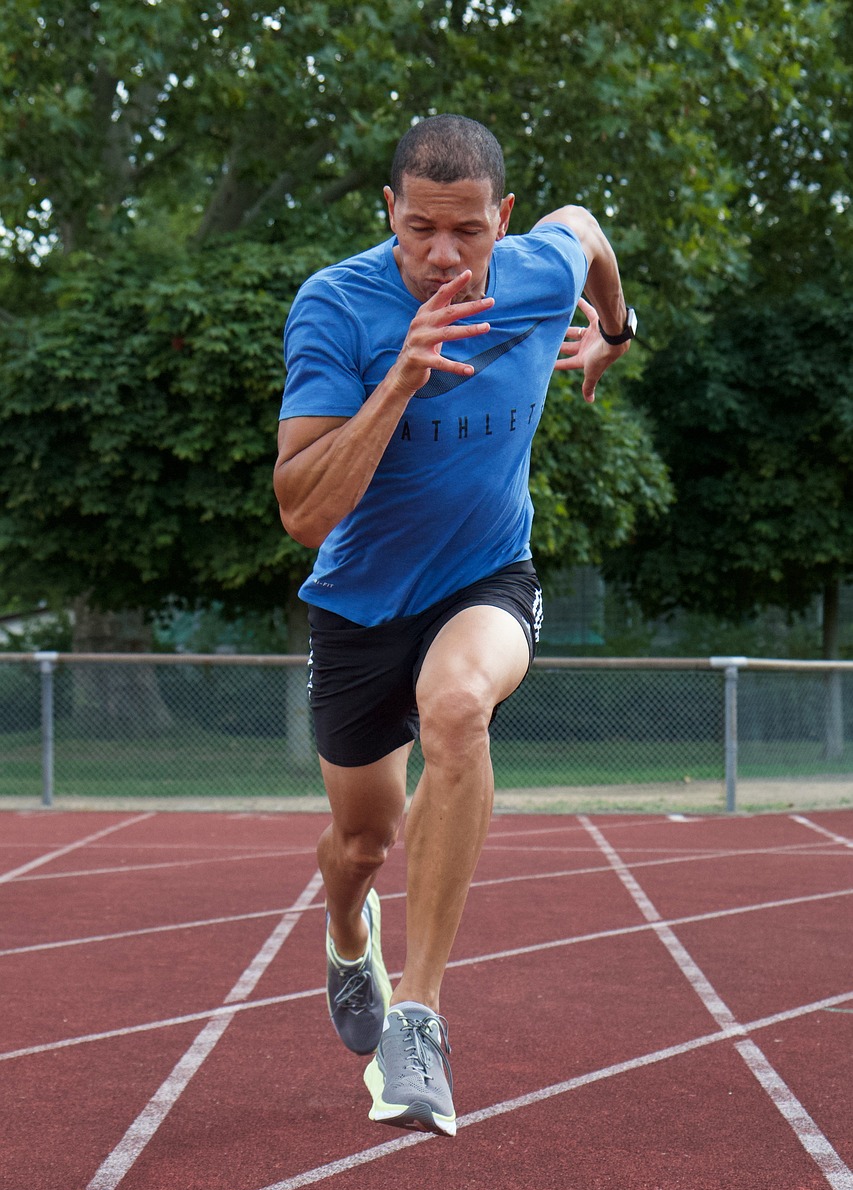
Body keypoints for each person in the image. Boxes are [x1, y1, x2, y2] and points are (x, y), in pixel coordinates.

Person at [274, 114, 635, 1138]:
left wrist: (614, 329)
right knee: (363, 839)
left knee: (459, 709)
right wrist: (400, 375)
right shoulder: (335, 308)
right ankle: (350, 935)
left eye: (466, 231)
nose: (442, 253)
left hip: (487, 576)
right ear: (388, 210)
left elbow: (591, 231)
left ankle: (416, 1018)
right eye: (419, 227)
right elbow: (303, 511)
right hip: (356, 604)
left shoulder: (535, 265)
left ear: (500, 220)